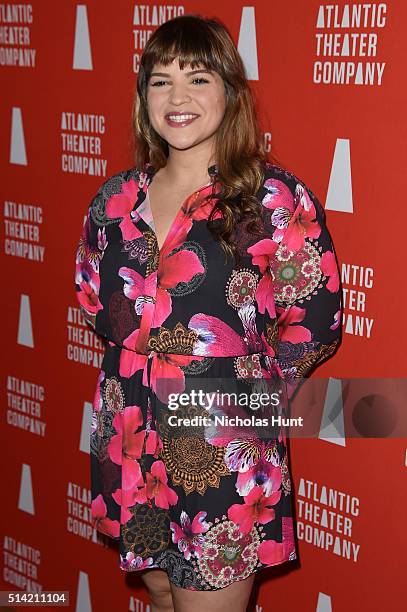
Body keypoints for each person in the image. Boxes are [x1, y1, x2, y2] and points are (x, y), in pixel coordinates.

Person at [74, 13, 342, 612]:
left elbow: (315, 317)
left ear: (229, 90)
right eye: (160, 80)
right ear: (144, 96)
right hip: (127, 436)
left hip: (220, 446)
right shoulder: (113, 201)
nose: (178, 97)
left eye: (198, 78)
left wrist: (241, 395)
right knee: (162, 592)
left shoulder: (271, 199)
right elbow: (93, 296)